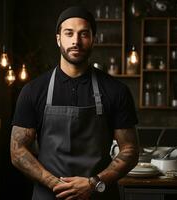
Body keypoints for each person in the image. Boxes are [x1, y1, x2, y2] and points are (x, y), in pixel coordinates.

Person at [10, 6, 139, 200]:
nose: (76, 41)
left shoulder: (116, 91)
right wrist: (56, 184)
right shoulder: (33, 91)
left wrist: (92, 184)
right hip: (49, 195)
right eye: (69, 33)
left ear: (93, 39)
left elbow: (130, 149)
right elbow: (17, 151)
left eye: (83, 34)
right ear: (58, 38)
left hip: (97, 196)